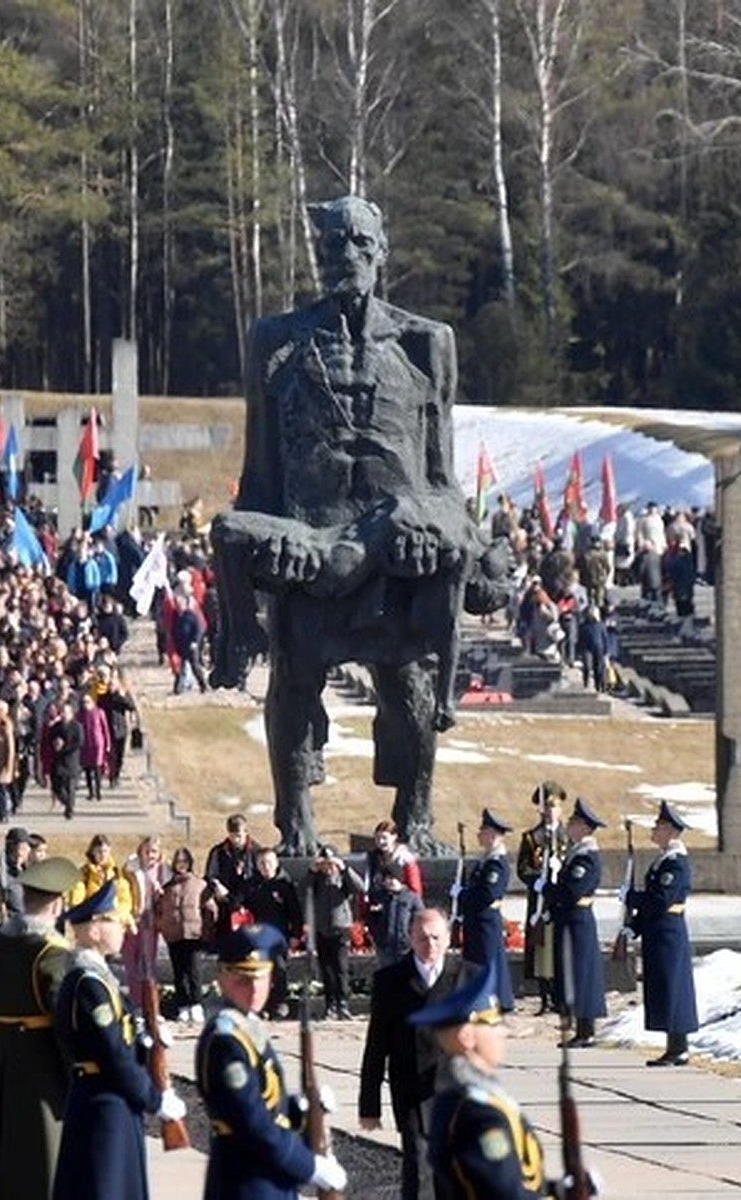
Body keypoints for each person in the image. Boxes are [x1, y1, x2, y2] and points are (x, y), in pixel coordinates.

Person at [210, 195, 494, 856]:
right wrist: (258, 570)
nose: (348, 256)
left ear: (381, 252)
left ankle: (414, 815)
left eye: (361, 243)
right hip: (311, 550)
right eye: (336, 244)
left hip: (397, 559)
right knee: (295, 677)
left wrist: (446, 534)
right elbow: (260, 473)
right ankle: (296, 820)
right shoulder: (276, 341)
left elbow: (444, 481)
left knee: (413, 690)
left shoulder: (427, 344)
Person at [53, 879, 185, 1200]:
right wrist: (154, 1099)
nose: (124, 927)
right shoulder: (89, 985)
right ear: (94, 929)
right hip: (103, 1104)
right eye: (115, 920)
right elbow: (110, 1052)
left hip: (113, 1100)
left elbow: (121, 1039)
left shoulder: (100, 980)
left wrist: (149, 1042)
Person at [196, 923, 347, 1199]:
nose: (253, 989)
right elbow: (251, 1122)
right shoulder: (226, 1040)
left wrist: (298, 1107)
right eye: (243, 979)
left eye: (260, 978)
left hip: (268, 1176)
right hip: (245, 1178)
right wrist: (308, 1165)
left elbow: (265, 1100)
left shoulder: (248, 1028)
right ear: (222, 979)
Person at [0, 855, 81, 1200]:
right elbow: (66, 1025)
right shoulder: (52, 954)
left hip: (4, 1060)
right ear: (58, 904)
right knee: (44, 1162)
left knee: (8, 1159)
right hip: (44, 1069)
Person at [411, 963, 562, 1199]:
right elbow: (501, 1192)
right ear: (467, 1037)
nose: (502, 1032)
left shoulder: (468, 1098)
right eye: (493, 1024)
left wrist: (557, 1188)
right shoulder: (479, 1113)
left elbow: (513, 1177)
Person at [359, 907, 477, 1200]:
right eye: (423, 938)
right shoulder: (391, 981)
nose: (430, 946)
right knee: (419, 1168)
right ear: (410, 938)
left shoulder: (467, 977)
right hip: (412, 1092)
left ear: (449, 939)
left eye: (437, 938)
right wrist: (369, 1104)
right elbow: (377, 1044)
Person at [624, 800, 698, 1067]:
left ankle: (679, 1047)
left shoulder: (676, 863)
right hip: (658, 931)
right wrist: (634, 926)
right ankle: (672, 1045)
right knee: (663, 988)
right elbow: (652, 904)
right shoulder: (663, 861)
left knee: (673, 987)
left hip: (669, 933)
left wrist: (633, 898)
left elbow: (661, 899)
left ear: (670, 830)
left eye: (658, 827)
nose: (653, 831)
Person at [547, 797, 607, 1048]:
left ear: (584, 827)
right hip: (569, 919)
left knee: (582, 974)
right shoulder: (575, 854)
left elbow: (572, 891)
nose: (569, 826)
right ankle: (580, 1028)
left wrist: (550, 890)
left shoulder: (586, 857)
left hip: (578, 920)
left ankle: (586, 1030)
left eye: (573, 822)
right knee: (573, 973)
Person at [516, 781, 569, 1016]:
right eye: (547, 807)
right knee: (540, 947)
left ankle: (561, 996)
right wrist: (537, 879)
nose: (551, 812)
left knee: (559, 946)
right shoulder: (531, 838)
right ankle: (545, 996)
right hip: (539, 900)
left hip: (561, 900)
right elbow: (523, 867)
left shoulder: (568, 836)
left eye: (555, 807)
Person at [456, 807, 514, 1013]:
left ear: (492, 834)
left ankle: (497, 999)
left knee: (488, 961)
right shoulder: (486, 860)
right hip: (478, 920)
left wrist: (462, 894)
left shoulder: (496, 864)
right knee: (480, 960)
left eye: (483, 831)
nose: (479, 835)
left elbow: (487, 894)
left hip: (486, 920)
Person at [242, 846, 303, 1019]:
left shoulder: (285, 884)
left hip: (279, 935)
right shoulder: (252, 885)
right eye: (262, 863)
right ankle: (261, 1006)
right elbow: (239, 904)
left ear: (276, 863)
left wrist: (295, 935)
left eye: (269, 862)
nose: (265, 866)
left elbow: (295, 912)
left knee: (279, 969)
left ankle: (279, 1003)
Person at [305, 843, 364, 1020]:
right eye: (324, 864)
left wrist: (344, 869)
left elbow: (360, 887)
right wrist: (312, 871)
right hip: (321, 929)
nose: (327, 868)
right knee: (326, 969)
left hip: (341, 929)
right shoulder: (316, 879)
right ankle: (330, 1004)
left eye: (330, 864)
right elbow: (302, 890)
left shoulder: (342, 878)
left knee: (341, 969)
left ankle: (343, 1004)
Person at [364, 819, 424, 968]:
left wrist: (400, 889)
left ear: (394, 837)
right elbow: (366, 886)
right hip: (381, 918)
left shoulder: (406, 859)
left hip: (401, 916)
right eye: (377, 838)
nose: (381, 842)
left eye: (384, 837)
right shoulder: (372, 859)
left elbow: (416, 892)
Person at [156, 847, 205, 1023]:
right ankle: (183, 1005)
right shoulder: (168, 887)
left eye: (185, 861)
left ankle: (196, 1004)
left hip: (193, 933)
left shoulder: (199, 884)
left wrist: (207, 929)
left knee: (193, 970)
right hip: (173, 932)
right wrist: (162, 925)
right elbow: (159, 909)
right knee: (179, 971)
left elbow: (210, 907)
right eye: (178, 862)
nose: (181, 865)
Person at [122, 834, 164, 1011]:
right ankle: (135, 1002)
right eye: (147, 851)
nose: (150, 855)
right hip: (134, 920)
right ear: (140, 851)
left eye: (154, 851)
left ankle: (151, 1005)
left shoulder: (163, 871)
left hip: (152, 923)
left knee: (148, 964)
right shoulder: (131, 869)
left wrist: (159, 891)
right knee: (132, 963)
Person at [203, 814, 257, 939]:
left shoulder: (255, 851)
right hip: (224, 903)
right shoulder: (218, 852)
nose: (235, 840)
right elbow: (210, 875)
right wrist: (216, 885)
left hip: (248, 904)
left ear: (246, 832)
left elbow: (257, 877)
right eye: (232, 836)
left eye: (239, 836)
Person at [48, 699, 83, 820]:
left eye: (66, 712)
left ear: (71, 713)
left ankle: (70, 810)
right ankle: (67, 803)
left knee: (70, 786)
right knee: (57, 787)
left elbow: (79, 742)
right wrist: (55, 743)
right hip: (58, 761)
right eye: (62, 712)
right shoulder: (56, 726)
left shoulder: (77, 726)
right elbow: (49, 739)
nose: (63, 714)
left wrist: (64, 747)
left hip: (71, 760)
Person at [77, 692, 110, 801]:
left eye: (87, 702)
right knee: (87, 769)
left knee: (96, 768)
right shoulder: (79, 714)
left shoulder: (99, 712)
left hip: (97, 744)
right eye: (83, 702)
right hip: (85, 744)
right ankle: (90, 792)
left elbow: (105, 729)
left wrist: (107, 744)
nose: (85, 704)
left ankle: (98, 791)